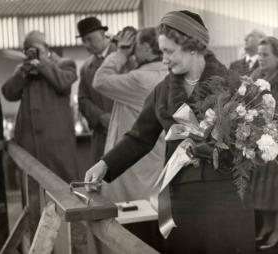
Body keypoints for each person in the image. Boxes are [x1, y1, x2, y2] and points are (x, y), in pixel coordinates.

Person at [85, 10, 255, 254]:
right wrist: (104, 165)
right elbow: (138, 138)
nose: (163, 59)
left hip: (225, 198)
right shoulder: (162, 90)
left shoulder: (234, 85)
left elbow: (250, 143)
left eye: (169, 52)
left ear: (193, 46)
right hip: (181, 200)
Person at [93, 27, 167, 202]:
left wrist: (120, 53)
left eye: (137, 45)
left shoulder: (138, 79)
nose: (133, 50)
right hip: (156, 154)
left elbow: (100, 81)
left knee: (130, 215)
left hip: (133, 160)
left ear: (147, 48)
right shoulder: (168, 74)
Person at [2, 30, 79, 183]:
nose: (32, 53)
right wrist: (24, 70)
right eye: (28, 49)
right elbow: (9, 93)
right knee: (34, 187)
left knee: (63, 183)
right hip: (30, 142)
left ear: (46, 47)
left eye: (35, 48)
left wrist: (43, 63)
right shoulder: (23, 69)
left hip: (57, 142)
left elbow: (63, 83)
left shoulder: (64, 64)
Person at [251, 36, 278, 250]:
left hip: (277, 144)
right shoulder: (256, 76)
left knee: (277, 189)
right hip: (258, 142)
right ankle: (267, 226)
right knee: (261, 189)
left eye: (265, 54)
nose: (260, 58)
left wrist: (255, 125)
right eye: (259, 54)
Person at [77, 16, 116, 167]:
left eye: (89, 39)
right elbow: (82, 99)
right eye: (83, 41)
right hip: (102, 135)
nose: (86, 45)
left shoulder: (126, 56)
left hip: (129, 129)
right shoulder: (86, 68)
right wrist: (100, 116)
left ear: (102, 34)